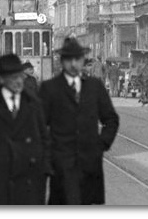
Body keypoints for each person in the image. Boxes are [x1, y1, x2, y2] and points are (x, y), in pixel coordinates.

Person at [39, 37, 120, 205]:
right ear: (62, 62)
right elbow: (37, 125)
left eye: (77, 59)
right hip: (61, 163)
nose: (73, 64)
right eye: (69, 59)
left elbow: (111, 119)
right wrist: (49, 154)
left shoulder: (94, 86)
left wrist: (101, 144)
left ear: (83, 61)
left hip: (89, 163)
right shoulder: (50, 88)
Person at [0, 53, 51, 204]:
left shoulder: (34, 104)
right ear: (1, 79)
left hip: (29, 180)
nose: (18, 81)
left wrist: (43, 170)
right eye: (13, 77)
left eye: (20, 76)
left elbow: (44, 138)